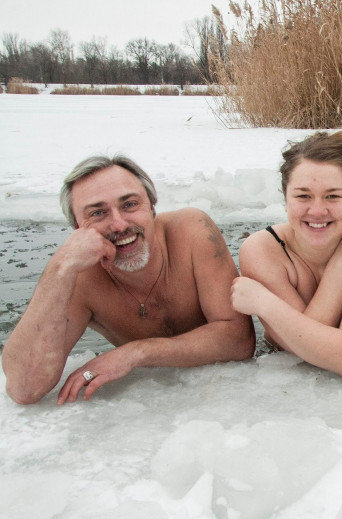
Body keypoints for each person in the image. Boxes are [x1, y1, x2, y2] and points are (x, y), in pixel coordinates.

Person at [2, 155, 256, 405]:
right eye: (98, 213)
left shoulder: (191, 231)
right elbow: (24, 388)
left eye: (130, 205)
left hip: (223, 398)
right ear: (77, 227)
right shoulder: (80, 280)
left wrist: (133, 353)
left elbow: (238, 341)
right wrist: (60, 267)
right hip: (156, 406)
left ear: (152, 206)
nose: (119, 224)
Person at [231, 131, 342, 377]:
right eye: (303, 196)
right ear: (285, 199)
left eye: (333, 196)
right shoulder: (263, 249)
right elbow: (300, 348)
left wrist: (264, 303)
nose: (317, 210)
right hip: (287, 375)